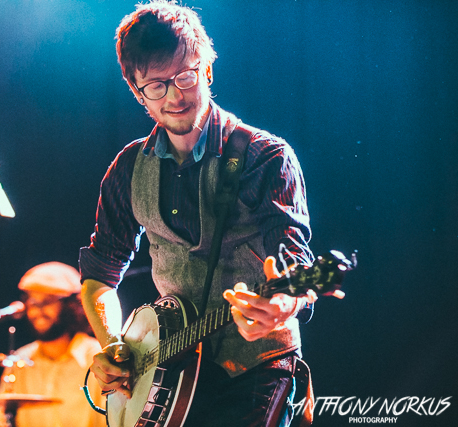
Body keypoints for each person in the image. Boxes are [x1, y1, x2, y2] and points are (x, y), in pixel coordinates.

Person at [79, 1, 317, 426]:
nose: (174, 96)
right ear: (136, 91)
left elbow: (296, 264)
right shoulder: (127, 169)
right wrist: (113, 344)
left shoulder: (264, 156)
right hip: (172, 377)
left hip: (256, 367)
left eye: (185, 76)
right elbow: (99, 276)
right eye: (156, 85)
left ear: (206, 70)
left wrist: (284, 302)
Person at [0, 262, 105, 427]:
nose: (38, 310)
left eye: (48, 301)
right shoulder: (20, 360)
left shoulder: (98, 358)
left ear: (71, 305)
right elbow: (1, 414)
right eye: (33, 302)